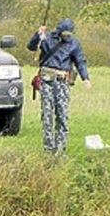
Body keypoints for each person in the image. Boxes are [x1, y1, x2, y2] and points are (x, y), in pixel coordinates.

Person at [27, 17, 92, 154]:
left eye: (69, 34)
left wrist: (85, 77)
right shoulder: (47, 38)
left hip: (63, 82)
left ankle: (60, 148)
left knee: (62, 114)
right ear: (59, 31)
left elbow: (80, 61)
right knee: (47, 114)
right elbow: (31, 46)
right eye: (64, 33)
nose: (66, 36)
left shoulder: (74, 44)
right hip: (47, 80)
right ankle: (48, 148)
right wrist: (37, 35)